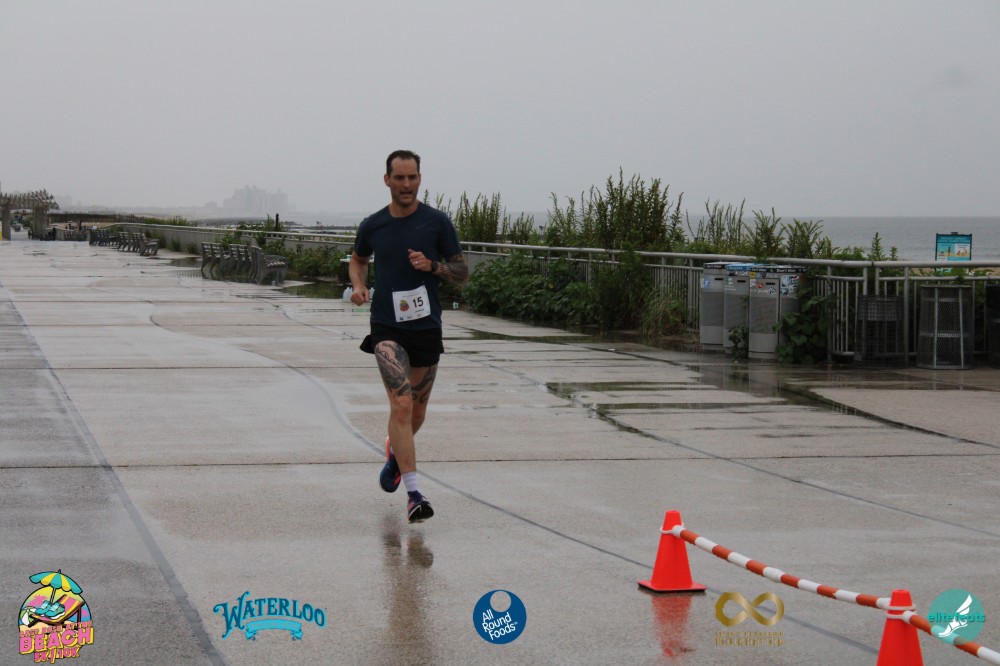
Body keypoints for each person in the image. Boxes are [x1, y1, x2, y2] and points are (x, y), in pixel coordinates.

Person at [350, 150, 469, 522]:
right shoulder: (373, 225)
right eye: (399, 177)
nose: (406, 184)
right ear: (386, 179)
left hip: (426, 327)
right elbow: (358, 259)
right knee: (400, 406)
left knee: (416, 413)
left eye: (412, 177)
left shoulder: (437, 222)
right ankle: (415, 495)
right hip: (387, 326)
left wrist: (432, 266)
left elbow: (462, 272)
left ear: (419, 179)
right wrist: (359, 285)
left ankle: (395, 458)